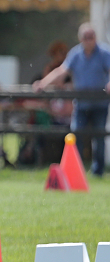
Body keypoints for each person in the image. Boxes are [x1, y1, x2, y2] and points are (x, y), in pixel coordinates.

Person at [34, 22, 110, 177]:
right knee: (75, 136)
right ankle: (76, 172)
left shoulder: (104, 53)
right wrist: (43, 83)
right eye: (86, 37)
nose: (89, 40)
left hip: (100, 104)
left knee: (99, 138)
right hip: (81, 104)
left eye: (91, 36)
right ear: (80, 38)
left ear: (95, 37)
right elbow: (61, 71)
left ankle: (98, 172)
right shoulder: (75, 54)